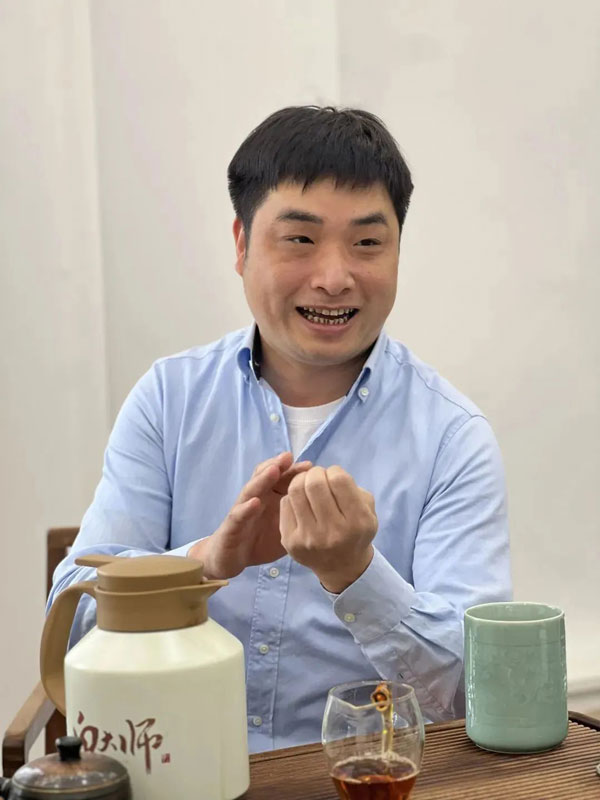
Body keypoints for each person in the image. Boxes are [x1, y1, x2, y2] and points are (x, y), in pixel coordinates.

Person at [49, 105, 511, 753]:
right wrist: (203, 563)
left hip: (359, 777)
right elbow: (71, 623)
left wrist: (357, 574)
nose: (334, 277)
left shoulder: (451, 436)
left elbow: (479, 689)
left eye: (367, 243)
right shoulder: (169, 399)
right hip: (176, 768)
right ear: (241, 245)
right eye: (300, 239)